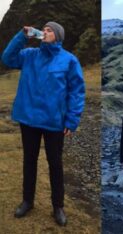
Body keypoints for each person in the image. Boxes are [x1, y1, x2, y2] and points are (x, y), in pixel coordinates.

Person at [2, 22, 84, 226]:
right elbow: (7, 58)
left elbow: (76, 92)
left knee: (55, 164)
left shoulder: (69, 60)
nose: (45, 32)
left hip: (54, 121)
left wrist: (72, 120)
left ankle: (58, 206)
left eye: (50, 30)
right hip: (28, 119)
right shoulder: (29, 55)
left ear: (58, 36)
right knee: (29, 161)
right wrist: (21, 37)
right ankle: (27, 201)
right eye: (44, 29)